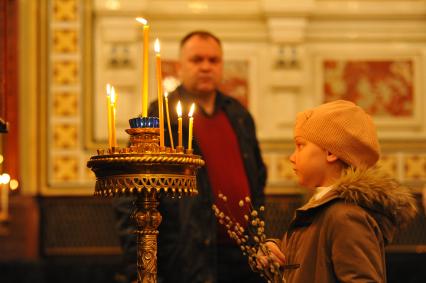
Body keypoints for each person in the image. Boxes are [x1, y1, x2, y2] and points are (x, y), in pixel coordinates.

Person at [113, 30, 267, 283]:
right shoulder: (160, 116)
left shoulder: (238, 114)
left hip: (243, 253)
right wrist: (140, 260)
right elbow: (132, 191)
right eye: (197, 60)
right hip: (186, 255)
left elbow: (258, 176)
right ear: (180, 67)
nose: (206, 67)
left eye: (213, 60)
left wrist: (258, 235)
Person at [256, 100, 418, 283]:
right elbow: (309, 259)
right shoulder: (323, 208)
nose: (292, 157)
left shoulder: (346, 217)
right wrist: (273, 250)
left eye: (300, 145)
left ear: (331, 152)